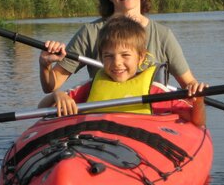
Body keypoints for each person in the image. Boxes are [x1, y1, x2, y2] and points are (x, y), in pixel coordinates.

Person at [39, 0, 203, 97]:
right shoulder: (90, 33)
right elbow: (51, 86)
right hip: (104, 120)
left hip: (151, 121)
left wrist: (196, 88)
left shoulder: (163, 35)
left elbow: (188, 84)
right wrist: (45, 65)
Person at [38, 16, 206, 127]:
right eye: (108, 56)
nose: (117, 63)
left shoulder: (155, 91)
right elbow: (41, 109)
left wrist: (198, 100)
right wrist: (57, 96)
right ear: (101, 58)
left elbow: (196, 122)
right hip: (95, 146)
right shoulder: (89, 88)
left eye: (125, 55)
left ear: (141, 58)